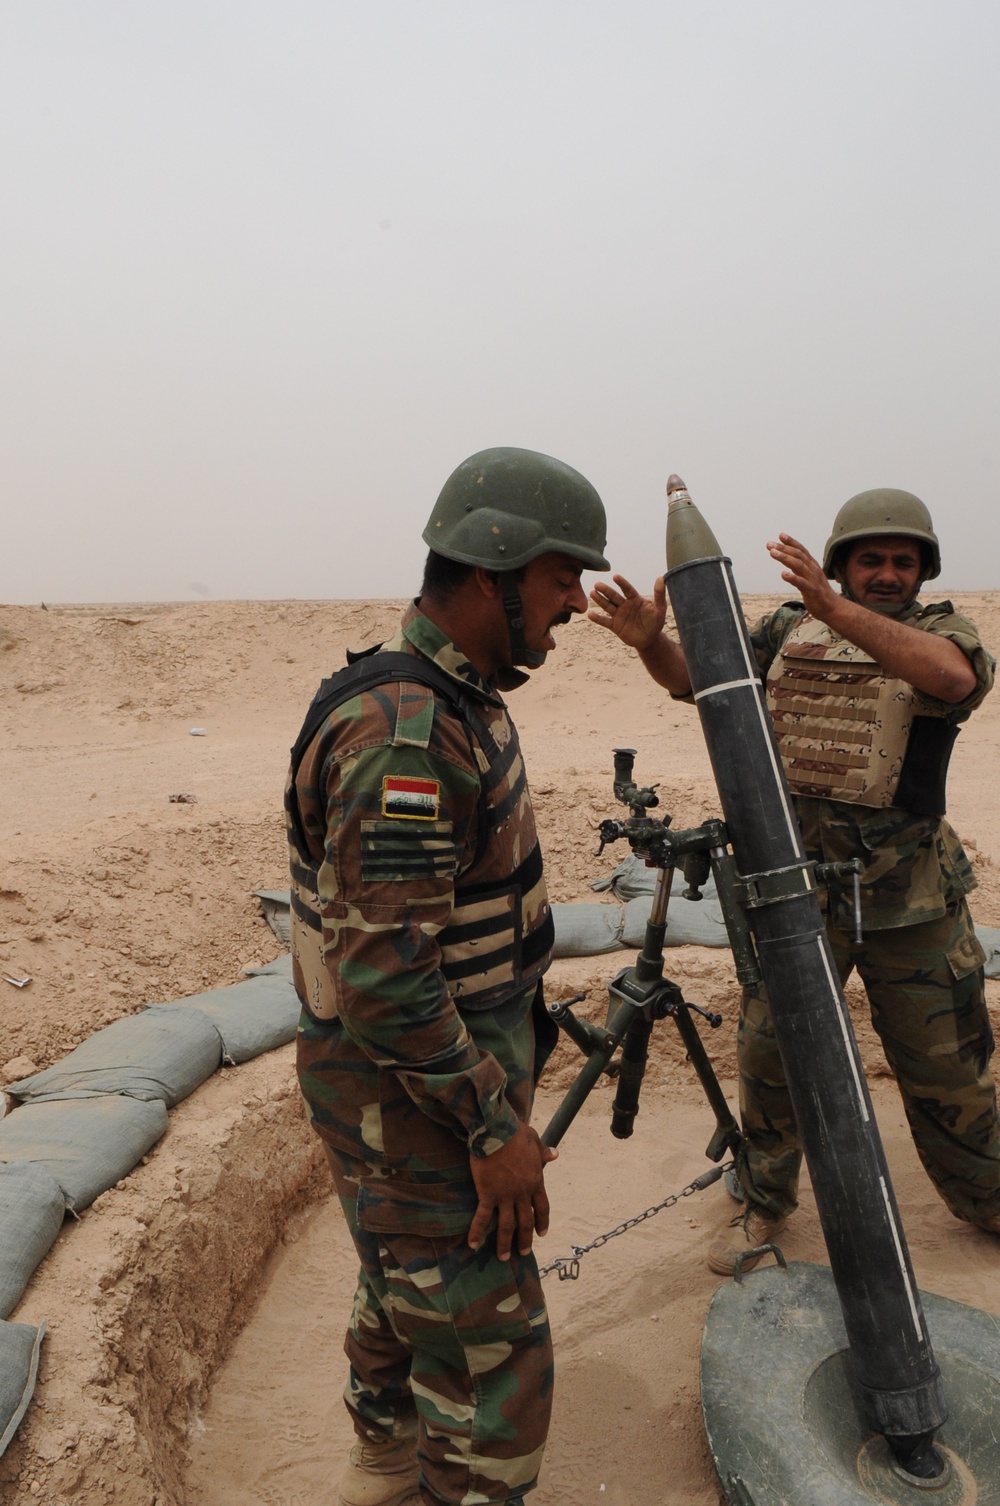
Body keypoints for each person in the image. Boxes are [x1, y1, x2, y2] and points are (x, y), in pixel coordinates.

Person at [285, 447, 609, 1506]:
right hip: (415, 1099)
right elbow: (383, 979)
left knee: (401, 1278)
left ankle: (379, 1449)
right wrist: (490, 1128)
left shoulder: (454, 696)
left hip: (402, 1091)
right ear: (493, 571)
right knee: (493, 1367)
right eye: (563, 579)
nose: (576, 603)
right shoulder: (407, 734)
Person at [589, 487, 1000, 1274]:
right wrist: (651, 643)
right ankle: (765, 1199)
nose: (885, 574)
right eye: (869, 561)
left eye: (901, 562)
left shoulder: (942, 631)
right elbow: (703, 687)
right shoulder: (787, 630)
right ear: (842, 564)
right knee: (772, 1060)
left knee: (948, 1070)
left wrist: (835, 609)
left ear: (923, 570)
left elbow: (951, 680)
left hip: (909, 902)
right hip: (796, 895)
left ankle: (987, 1201)